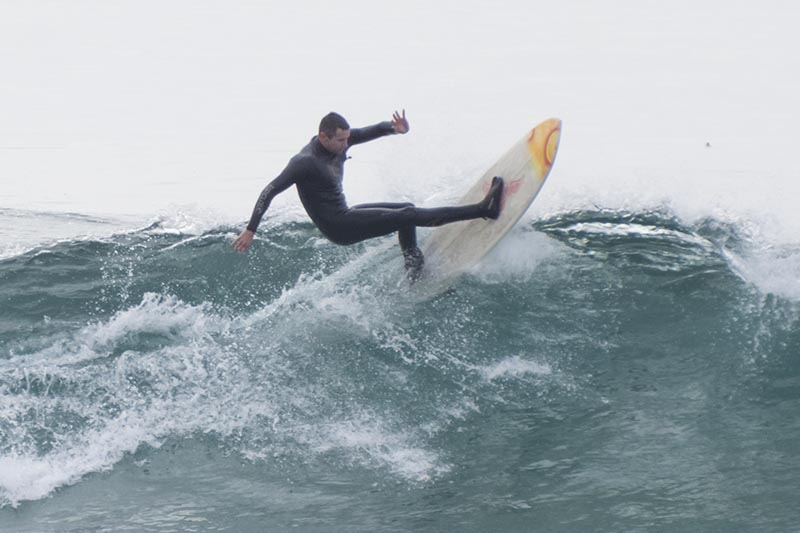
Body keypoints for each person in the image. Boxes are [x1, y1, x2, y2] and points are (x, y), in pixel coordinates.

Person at [232, 110, 504, 280]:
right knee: (407, 215)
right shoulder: (304, 162)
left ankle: (414, 266)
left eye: (347, 138)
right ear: (323, 137)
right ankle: (483, 209)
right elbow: (270, 190)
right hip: (338, 227)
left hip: (346, 214)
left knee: (405, 210)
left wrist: (393, 128)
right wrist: (250, 229)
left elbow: (366, 132)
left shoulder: (340, 142)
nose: (346, 144)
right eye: (340, 140)